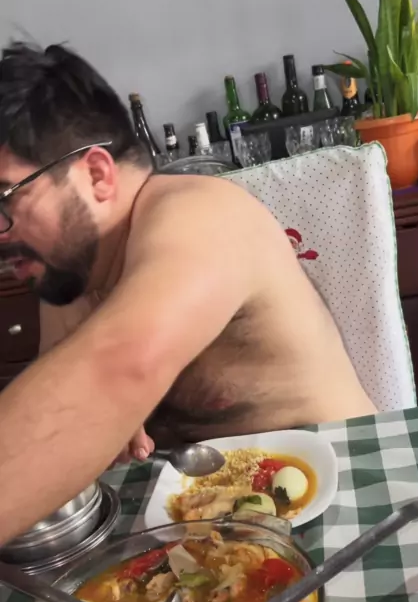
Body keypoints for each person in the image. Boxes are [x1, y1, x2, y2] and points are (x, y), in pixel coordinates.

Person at [0, 40, 376, 547]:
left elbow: (118, 366)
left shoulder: (201, 215)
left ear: (95, 174)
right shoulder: (67, 272)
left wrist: (97, 397)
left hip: (346, 505)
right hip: (209, 525)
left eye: (4, 199)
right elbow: (60, 414)